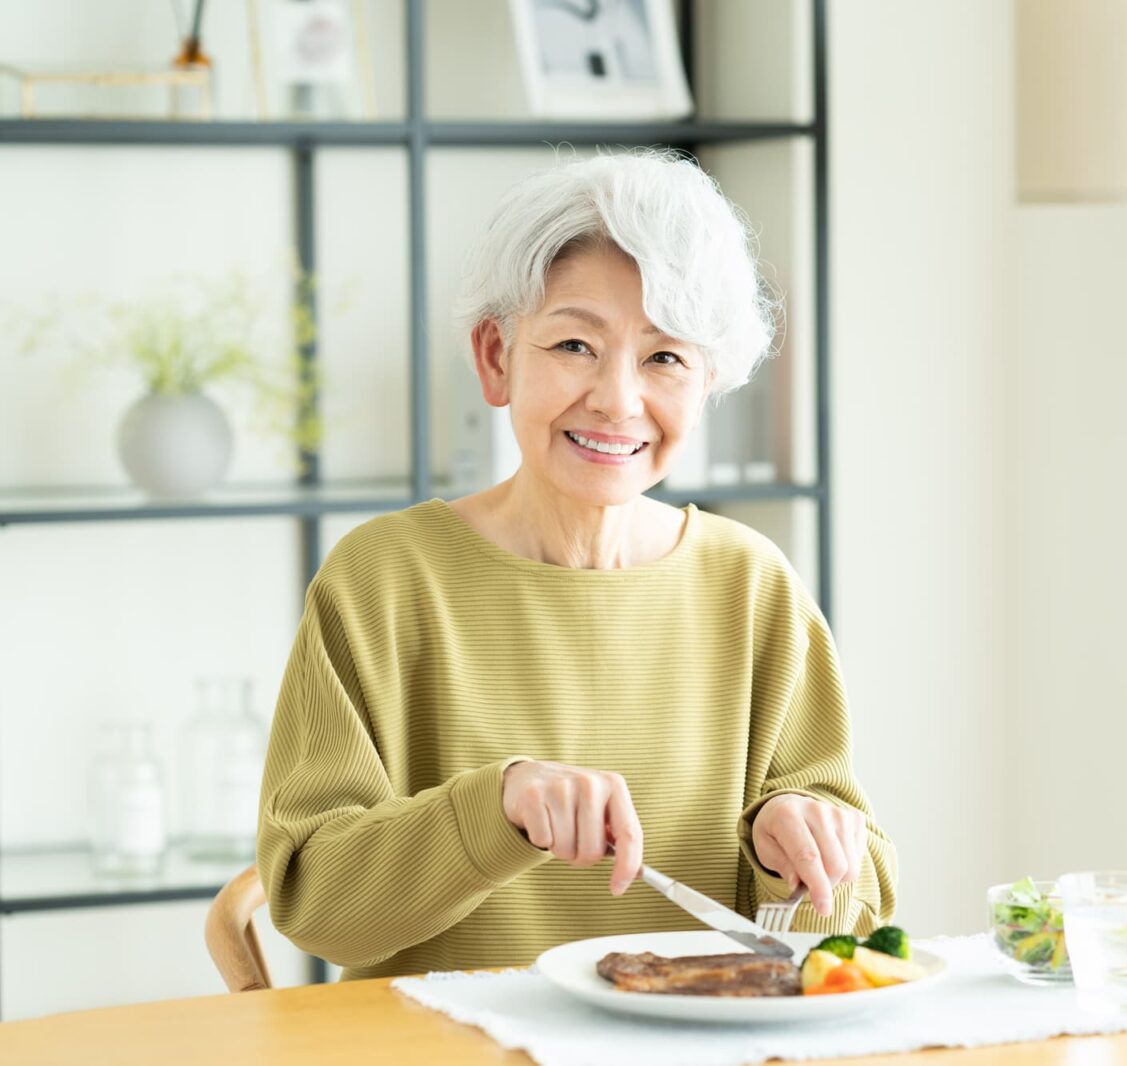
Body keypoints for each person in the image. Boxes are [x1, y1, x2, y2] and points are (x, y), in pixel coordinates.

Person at [256, 148, 897, 979]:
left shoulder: (753, 586)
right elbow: (317, 905)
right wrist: (498, 808)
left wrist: (797, 848)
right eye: (574, 345)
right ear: (496, 357)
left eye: (664, 358)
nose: (617, 400)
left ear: (706, 386)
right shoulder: (383, 580)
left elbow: (845, 923)